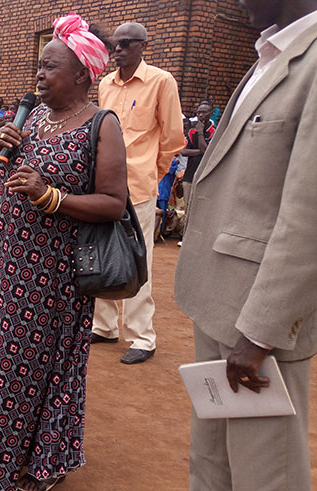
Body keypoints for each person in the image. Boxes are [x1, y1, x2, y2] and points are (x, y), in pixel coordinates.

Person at [0, 14, 128, 491]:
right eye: (39, 67)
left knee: (31, 363)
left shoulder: (101, 125)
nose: (39, 76)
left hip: (53, 274)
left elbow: (114, 203)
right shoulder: (35, 119)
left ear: (82, 75)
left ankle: (37, 462)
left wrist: (52, 197)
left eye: (49, 68)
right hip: (5, 261)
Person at [176, 1, 317, 489]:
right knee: (211, 458)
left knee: (265, 471)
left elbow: (308, 217)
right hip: (219, 299)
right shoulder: (270, 55)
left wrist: (261, 333)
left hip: (258, 321)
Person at [93, 21, 185, 364]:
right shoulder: (105, 84)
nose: (118, 49)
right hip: (103, 185)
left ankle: (142, 336)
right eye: (114, 44)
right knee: (100, 252)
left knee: (138, 259)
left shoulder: (161, 81)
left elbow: (173, 138)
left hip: (139, 186)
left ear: (144, 45)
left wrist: (151, 171)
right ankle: (104, 326)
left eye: (126, 43)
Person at [179, 102, 214, 212]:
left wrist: (200, 133)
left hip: (204, 177)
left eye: (204, 112)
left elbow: (207, 152)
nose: (200, 115)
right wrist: (202, 151)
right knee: (188, 208)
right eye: (198, 112)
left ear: (211, 113)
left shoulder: (214, 131)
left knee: (200, 209)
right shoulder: (191, 131)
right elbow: (184, 151)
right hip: (189, 176)